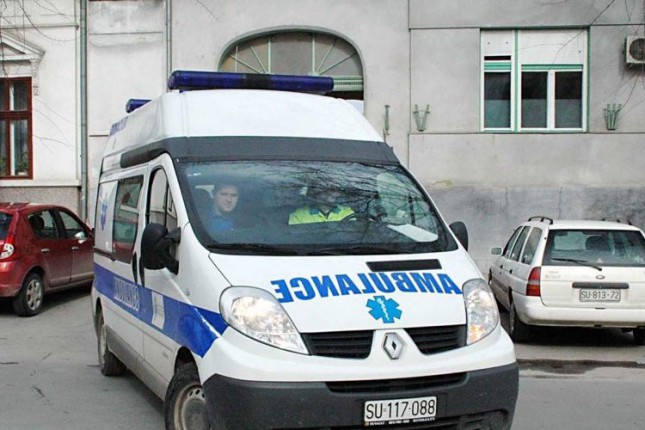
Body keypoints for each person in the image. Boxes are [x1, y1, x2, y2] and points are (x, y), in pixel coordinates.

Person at [288, 187, 354, 225]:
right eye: (325, 189)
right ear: (314, 194)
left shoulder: (348, 213)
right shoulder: (298, 216)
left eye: (333, 189)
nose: (330, 193)